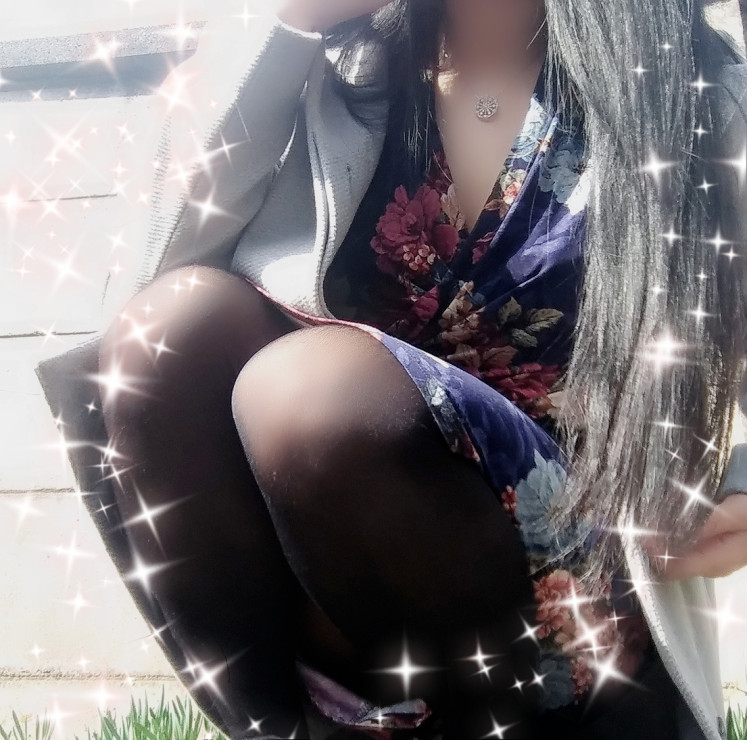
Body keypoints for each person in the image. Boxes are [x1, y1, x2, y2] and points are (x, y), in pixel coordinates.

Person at [35, 0, 747, 738]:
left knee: (311, 396)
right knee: (171, 326)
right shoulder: (341, 65)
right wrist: (290, 28)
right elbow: (153, 267)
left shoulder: (682, 87)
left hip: (554, 585)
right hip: (330, 562)